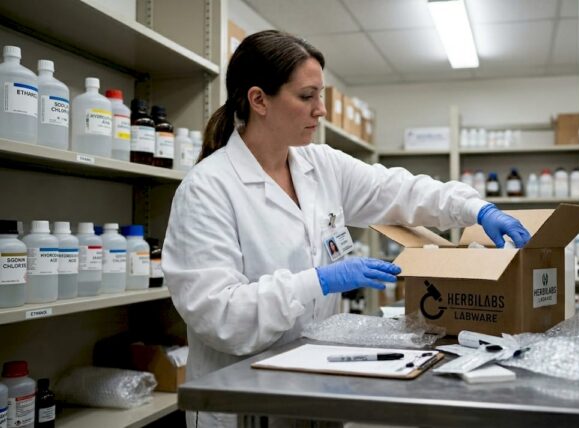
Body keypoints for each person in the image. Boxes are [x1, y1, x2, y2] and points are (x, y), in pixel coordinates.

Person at [162, 30, 531, 428]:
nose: (320, 110)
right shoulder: (207, 189)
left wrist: (476, 208)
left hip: (317, 386)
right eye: (307, 97)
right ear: (258, 100)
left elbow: (399, 190)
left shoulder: (319, 165)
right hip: (242, 401)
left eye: (321, 95)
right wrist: (317, 281)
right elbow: (220, 316)